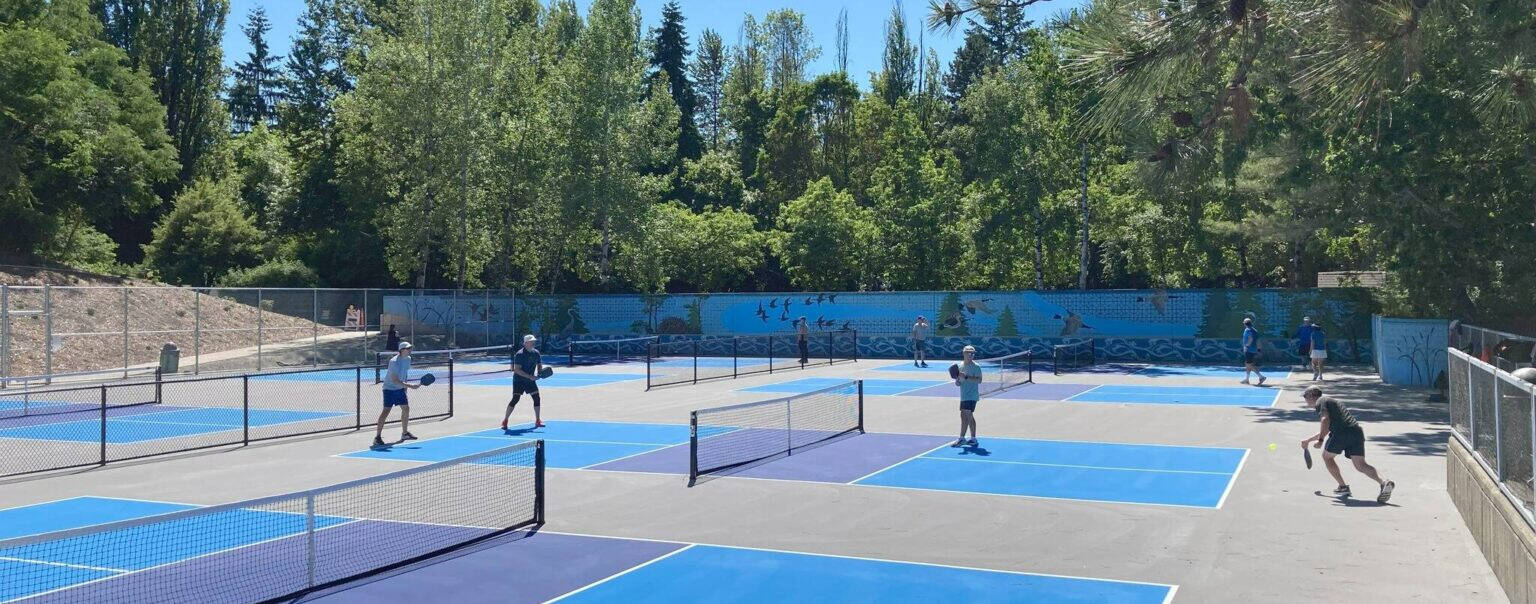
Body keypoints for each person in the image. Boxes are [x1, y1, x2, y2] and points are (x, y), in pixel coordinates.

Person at [1300, 386, 1394, 502]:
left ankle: (1343, 487)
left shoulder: (1321, 401)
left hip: (1342, 433)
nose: (1305, 399)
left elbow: (1325, 421)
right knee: (1361, 465)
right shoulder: (1330, 402)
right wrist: (1308, 440)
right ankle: (1384, 482)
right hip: (1356, 431)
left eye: (1305, 397)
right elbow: (1327, 428)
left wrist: (1320, 441)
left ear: (1312, 395)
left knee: (1326, 457)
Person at [373, 341, 419, 447]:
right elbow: (394, 380)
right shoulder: (394, 362)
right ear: (402, 350)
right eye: (408, 348)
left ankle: (405, 434)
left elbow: (404, 374)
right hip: (389, 389)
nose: (410, 350)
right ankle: (377, 437)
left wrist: (405, 388)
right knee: (386, 412)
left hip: (400, 389)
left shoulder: (408, 359)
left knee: (406, 409)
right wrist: (410, 386)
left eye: (410, 348)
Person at [501, 334, 546, 429]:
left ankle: (538, 420)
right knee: (515, 399)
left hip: (530, 381)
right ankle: (505, 420)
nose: (533, 343)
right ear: (525, 343)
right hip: (519, 380)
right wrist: (530, 376)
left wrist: (539, 373)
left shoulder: (536, 353)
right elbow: (517, 370)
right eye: (531, 341)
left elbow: (539, 364)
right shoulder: (520, 354)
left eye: (534, 341)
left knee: (537, 398)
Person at [953, 345, 982, 447]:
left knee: (968, 416)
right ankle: (963, 438)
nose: (971, 355)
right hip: (964, 395)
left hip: (972, 396)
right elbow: (958, 382)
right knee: (963, 416)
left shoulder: (976, 367)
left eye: (973, 353)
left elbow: (979, 380)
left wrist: (966, 377)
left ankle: (972, 438)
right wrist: (958, 381)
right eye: (969, 353)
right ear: (964, 353)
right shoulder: (960, 366)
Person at [1241, 317, 1266, 386]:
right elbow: (1258, 341)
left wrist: (1247, 346)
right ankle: (1247, 379)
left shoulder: (1247, 330)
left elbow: (1251, 338)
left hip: (1249, 350)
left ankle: (1261, 377)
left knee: (1249, 365)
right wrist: (1258, 349)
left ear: (1245, 324)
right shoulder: (1255, 330)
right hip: (1253, 349)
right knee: (1247, 364)